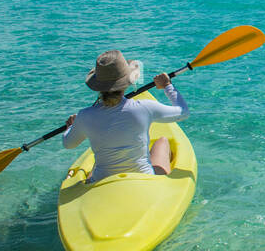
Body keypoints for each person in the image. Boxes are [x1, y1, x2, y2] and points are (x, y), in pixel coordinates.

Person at [63, 49, 189, 183]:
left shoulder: (85, 115)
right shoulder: (145, 107)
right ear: (127, 81)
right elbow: (183, 112)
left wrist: (71, 127)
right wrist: (167, 86)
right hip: (143, 178)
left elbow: (68, 144)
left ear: (98, 85)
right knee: (162, 142)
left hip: (101, 181)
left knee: (97, 162)